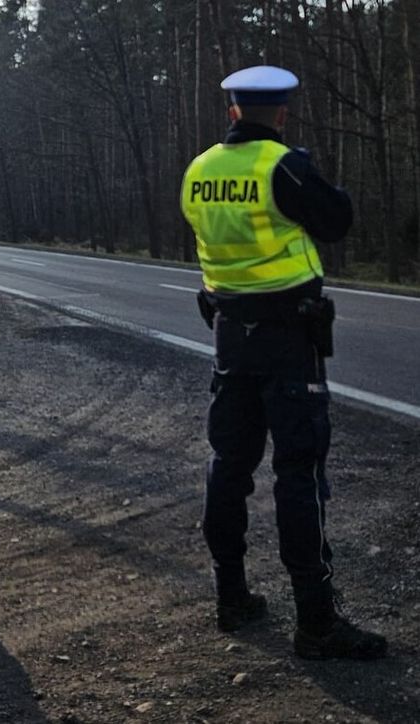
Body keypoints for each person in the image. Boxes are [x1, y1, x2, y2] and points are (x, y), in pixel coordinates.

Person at [180, 65, 387, 660]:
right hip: (289, 340)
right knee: (299, 474)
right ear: (283, 112)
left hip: (229, 337)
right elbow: (337, 221)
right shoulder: (284, 166)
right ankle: (316, 623)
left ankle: (232, 596)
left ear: (233, 111)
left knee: (229, 466)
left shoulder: (199, 170)